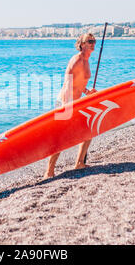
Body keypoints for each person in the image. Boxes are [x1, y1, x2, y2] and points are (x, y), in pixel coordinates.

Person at [44, 33, 98, 179]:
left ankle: (80, 162)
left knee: (89, 130)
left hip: (76, 101)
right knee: (60, 137)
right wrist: (66, 105)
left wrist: (87, 92)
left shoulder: (86, 61)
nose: (93, 43)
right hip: (65, 101)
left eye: (94, 41)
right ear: (82, 44)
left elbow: (79, 83)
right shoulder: (77, 60)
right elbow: (68, 82)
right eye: (90, 41)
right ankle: (49, 171)